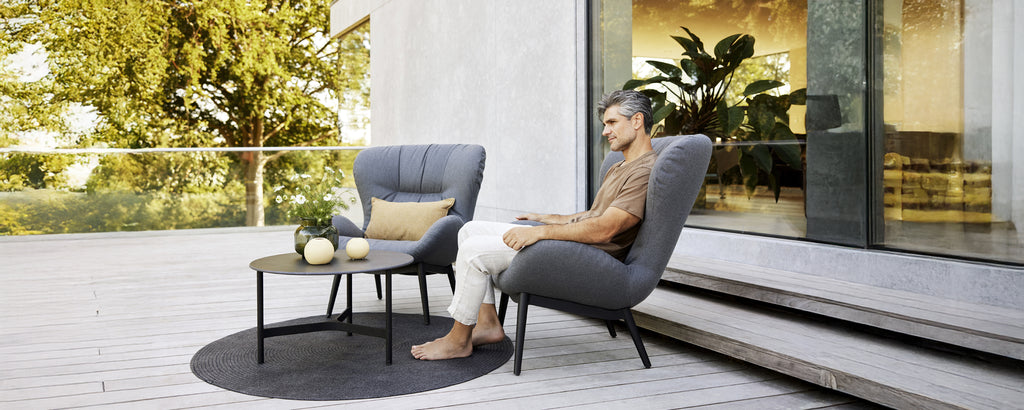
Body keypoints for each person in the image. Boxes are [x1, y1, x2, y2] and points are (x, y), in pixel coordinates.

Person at [411, 90, 657, 360]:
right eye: (605, 124)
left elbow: (605, 229)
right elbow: (595, 215)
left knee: (473, 251)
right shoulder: (620, 166)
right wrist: (550, 218)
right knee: (469, 230)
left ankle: (458, 341)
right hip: (578, 245)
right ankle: (488, 324)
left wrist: (540, 233)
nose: (605, 131)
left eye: (612, 123)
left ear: (636, 121)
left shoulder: (643, 171)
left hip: (593, 257)